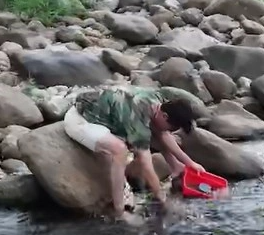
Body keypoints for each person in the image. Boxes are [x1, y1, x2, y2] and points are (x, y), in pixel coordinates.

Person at [62, 86, 204, 223]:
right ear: (165, 115)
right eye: (173, 128)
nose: (172, 131)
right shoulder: (137, 121)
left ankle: (175, 168)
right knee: (120, 150)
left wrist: (189, 163)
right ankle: (119, 210)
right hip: (80, 120)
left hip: (104, 116)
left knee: (155, 131)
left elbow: (163, 134)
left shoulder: (156, 101)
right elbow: (146, 165)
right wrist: (161, 197)